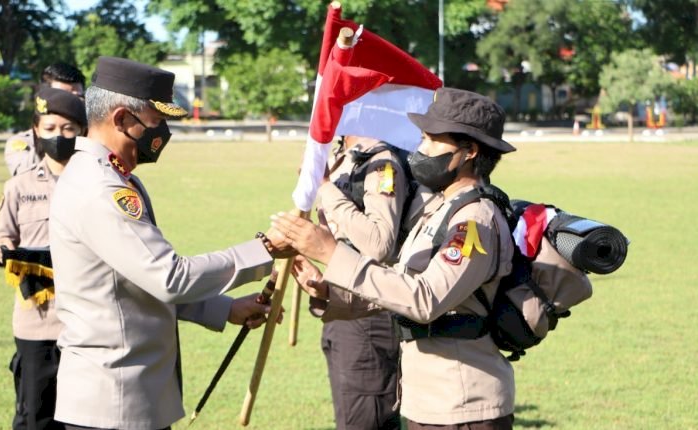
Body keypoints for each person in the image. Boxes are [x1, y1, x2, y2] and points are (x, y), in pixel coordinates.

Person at [48, 56, 291, 430]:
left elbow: (134, 283)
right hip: (113, 404)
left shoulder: (115, 177)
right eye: (156, 119)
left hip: (127, 397)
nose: (162, 131)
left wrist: (222, 309)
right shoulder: (100, 188)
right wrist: (265, 249)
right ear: (123, 119)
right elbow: (168, 277)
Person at [274, 88, 518, 429]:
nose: (421, 150)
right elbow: (400, 287)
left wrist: (332, 253)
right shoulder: (435, 207)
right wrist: (329, 293)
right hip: (427, 401)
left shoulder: (474, 220)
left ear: (470, 151)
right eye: (422, 138)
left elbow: (425, 299)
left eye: (434, 141)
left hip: (463, 404)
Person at [0, 87, 88, 430]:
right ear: (35, 131)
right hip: (38, 322)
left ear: (82, 131)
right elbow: (1, 235)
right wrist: (1, 249)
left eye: (67, 129)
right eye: (49, 129)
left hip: (88, 324)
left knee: (85, 418)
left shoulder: (96, 184)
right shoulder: (19, 186)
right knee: (37, 417)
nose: (58, 136)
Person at [303, 135, 407, 430]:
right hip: (340, 301)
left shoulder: (381, 162)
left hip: (370, 313)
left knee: (365, 420)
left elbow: (378, 243)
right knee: (350, 417)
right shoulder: (343, 153)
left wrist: (325, 186)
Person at [4, 63, 86, 176]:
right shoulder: (24, 143)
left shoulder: (94, 138)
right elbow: (28, 178)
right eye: (62, 97)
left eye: (77, 97)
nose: (70, 105)